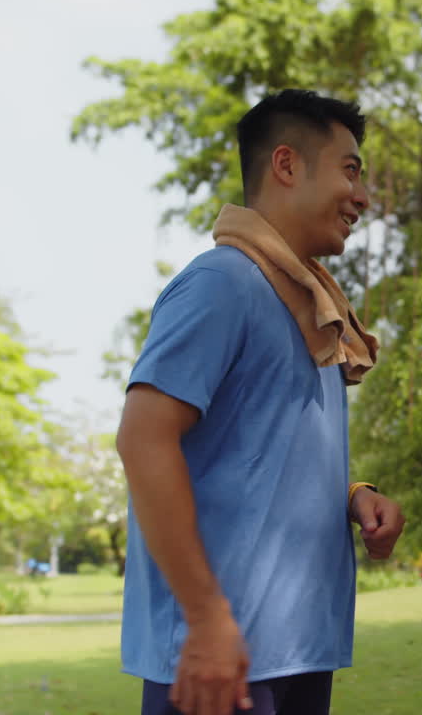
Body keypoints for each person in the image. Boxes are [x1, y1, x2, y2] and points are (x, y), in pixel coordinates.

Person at [116, 89, 405, 715]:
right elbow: (143, 438)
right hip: (220, 658)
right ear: (287, 165)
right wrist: (205, 615)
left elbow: (263, 452)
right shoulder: (223, 283)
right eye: (350, 170)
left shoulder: (309, 304)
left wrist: (353, 495)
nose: (362, 196)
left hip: (295, 647)